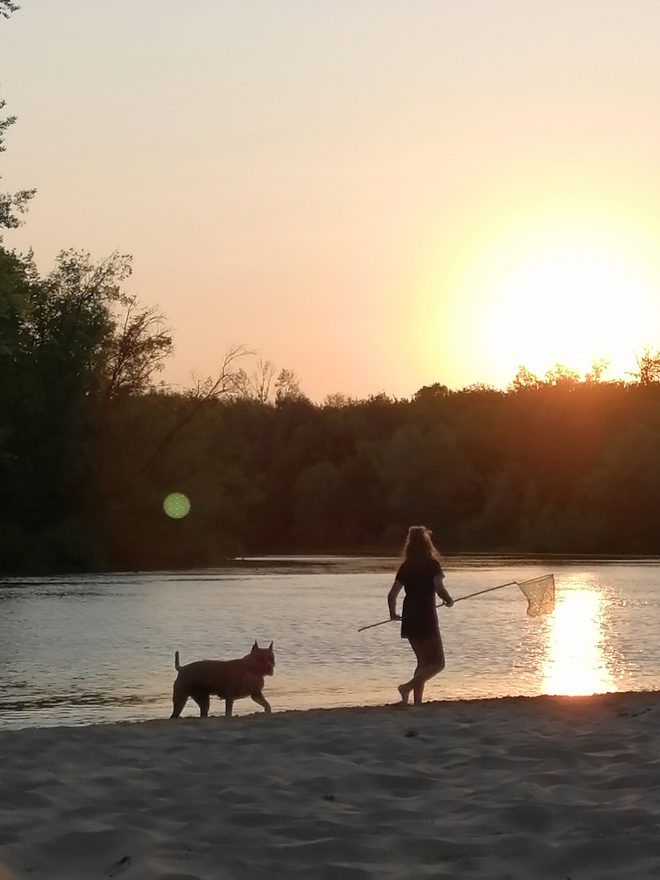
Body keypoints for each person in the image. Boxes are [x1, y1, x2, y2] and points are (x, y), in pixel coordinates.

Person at [387, 525, 454, 706]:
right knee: (438, 663)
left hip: (409, 617)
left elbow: (392, 595)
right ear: (427, 543)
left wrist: (393, 614)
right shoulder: (432, 564)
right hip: (426, 616)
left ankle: (418, 702)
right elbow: (439, 588)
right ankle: (407, 687)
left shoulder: (406, 566)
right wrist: (448, 600)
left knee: (423, 662)